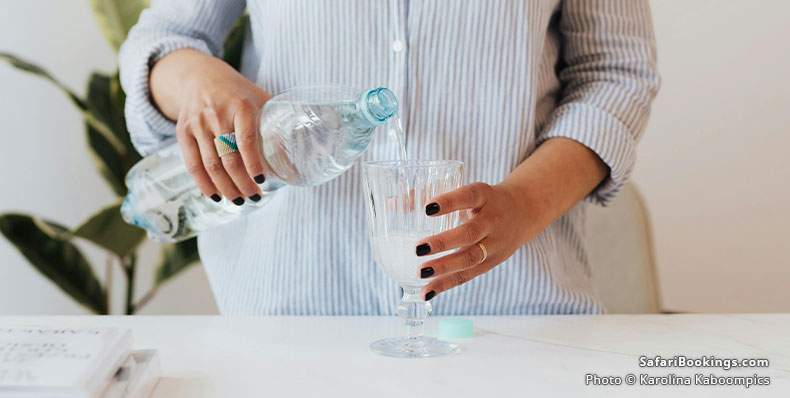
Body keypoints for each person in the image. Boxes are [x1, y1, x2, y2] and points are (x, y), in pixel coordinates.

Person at [120, 0, 659, 315]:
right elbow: (165, 38)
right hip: (290, 312)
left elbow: (615, 75)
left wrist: (523, 204)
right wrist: (197, 80)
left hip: (511, 315)